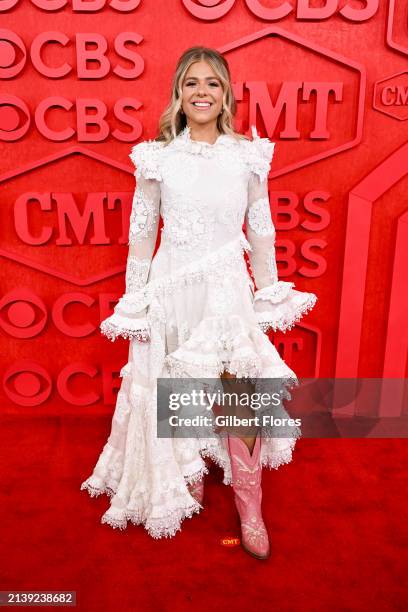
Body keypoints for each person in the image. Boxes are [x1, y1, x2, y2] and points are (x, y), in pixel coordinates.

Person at [80, 46, 317, 560]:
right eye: (191, 83)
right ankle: (186, 474)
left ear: (226, 93)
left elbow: (260, 231)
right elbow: (141, 237)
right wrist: (137, 301)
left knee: (239, 399)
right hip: (171, 289)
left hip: (227, 290)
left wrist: (268, 295)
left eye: (212, 82)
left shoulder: (248, 156)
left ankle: (249, 505)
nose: (202, 92)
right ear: (179, 96)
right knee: (179, 392)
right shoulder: (156, 159)